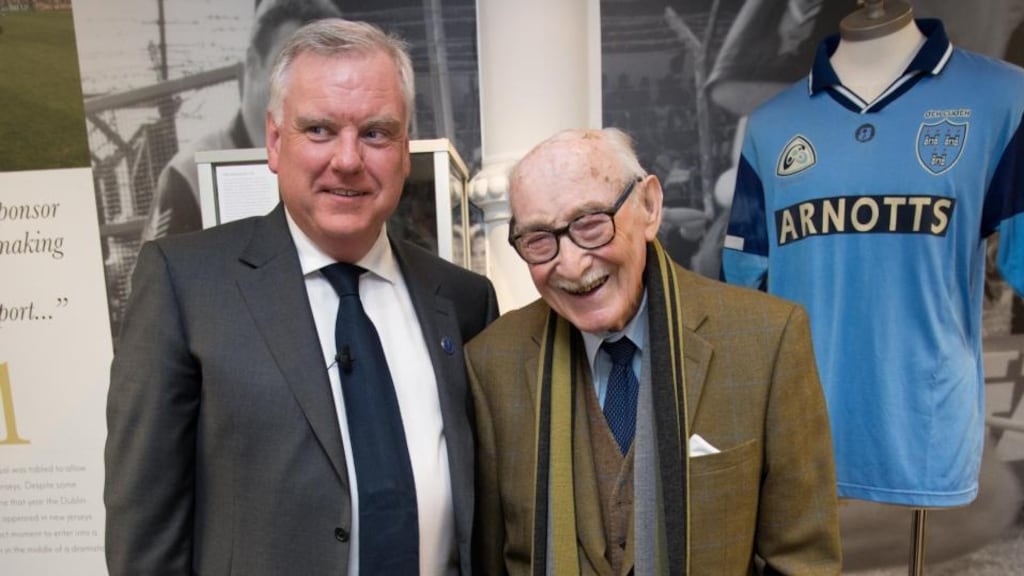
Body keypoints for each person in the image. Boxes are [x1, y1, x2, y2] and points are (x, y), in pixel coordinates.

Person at [105, 18, 498, 576]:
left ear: (405, 149)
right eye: (318, 130)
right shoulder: (185, 285)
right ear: (273, 140)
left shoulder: (463, 301)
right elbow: (145, 529)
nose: (347, 159)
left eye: (376, 133)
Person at [466, 127, 841, 575]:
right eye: (539, 241)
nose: (570, 264)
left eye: (589, 224)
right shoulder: (492, 362)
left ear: (648, 207)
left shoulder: (768, 340)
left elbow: (803, 563)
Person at [140, 0, 342, 240]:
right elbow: (159, 275)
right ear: (254, 65)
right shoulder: (190, 175)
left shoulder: (339, 164)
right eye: (288, 70)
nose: (308, 90)